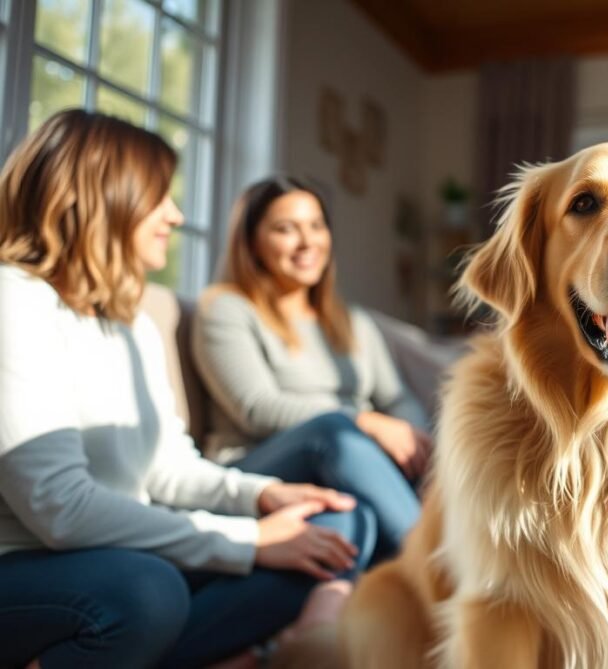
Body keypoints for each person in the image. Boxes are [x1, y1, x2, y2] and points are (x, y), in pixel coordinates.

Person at [0, 109, 377, 669]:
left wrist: (261, 496)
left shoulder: (130, 325)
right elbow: (61, 510)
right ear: (104, 199)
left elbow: (169, 470)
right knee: (146, 593)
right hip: (31, 565)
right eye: (159, 198)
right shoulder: (16, 301)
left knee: (333, 529)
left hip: (119, 547)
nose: (174, 216)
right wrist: (246, 542)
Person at [192, 176, 430, 562]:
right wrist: (363, 422)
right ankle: (435, 569)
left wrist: (415, 440)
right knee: (332, 432)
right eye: (286, 229)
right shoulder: (225, 308)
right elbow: (256, 408)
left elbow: (397, 396)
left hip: (352, 460)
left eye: (316, 226)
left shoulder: (350, 320)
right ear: (251, 241)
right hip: (261, 463)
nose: (307, 242)